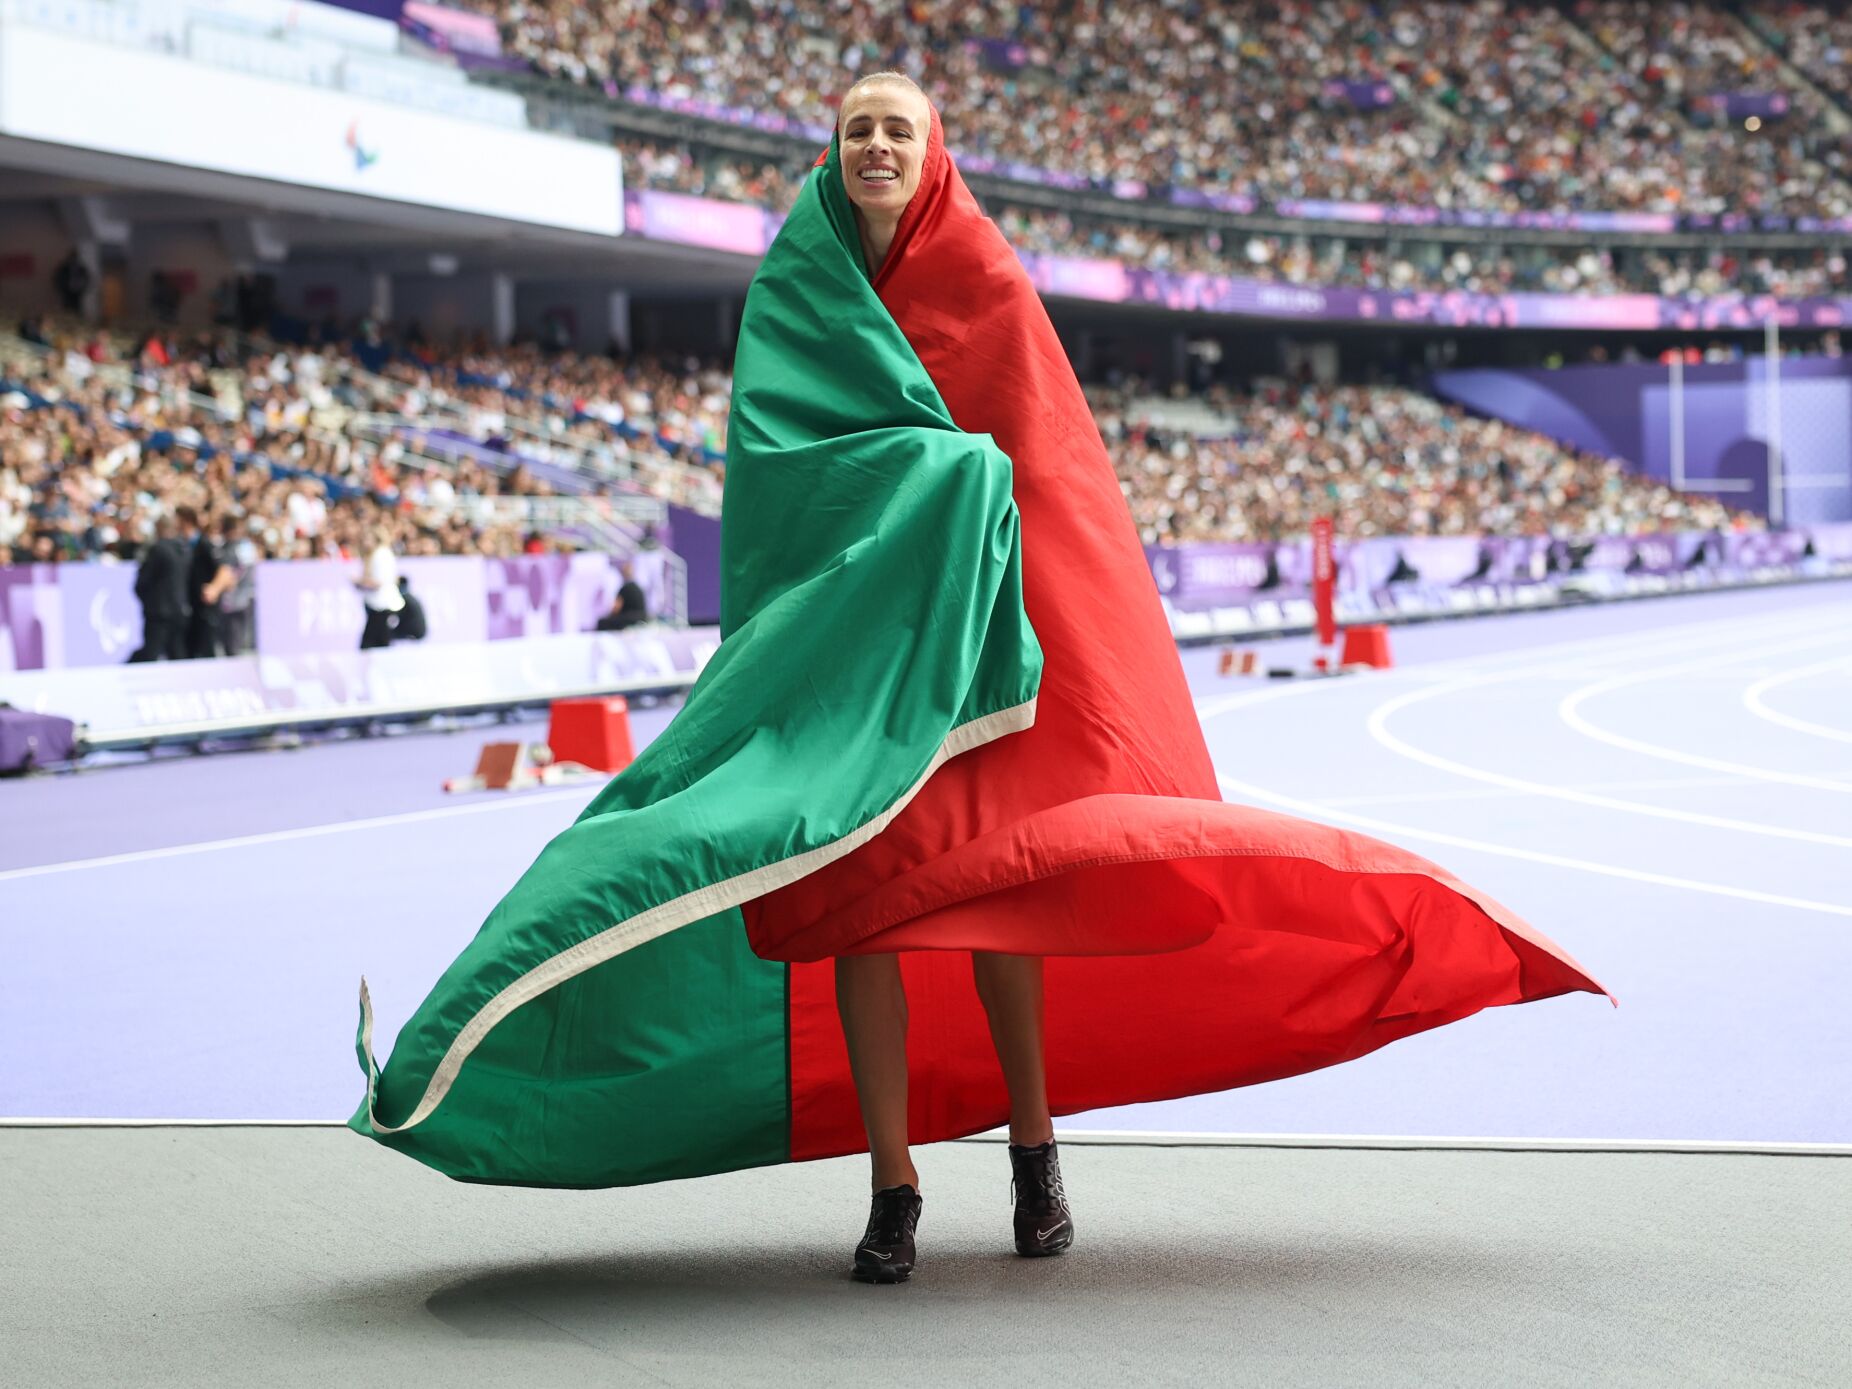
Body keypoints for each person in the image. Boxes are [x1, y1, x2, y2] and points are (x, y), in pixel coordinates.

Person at [349, 76, 1603, 1286]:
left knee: (1004, 902)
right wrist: (938, 473)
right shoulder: (798, 283)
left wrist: (961, 491)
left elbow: (1048, 466)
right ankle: (893, 1191)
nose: (876, 149)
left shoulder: (987, 273)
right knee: (860, 921)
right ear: (832, 148)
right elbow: (789, 478)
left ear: (933, 148)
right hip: (851, 671)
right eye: (857, 131)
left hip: (993, 664)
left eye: (898, 130)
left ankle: (1033, 1151)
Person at [130, 516, 190, 662]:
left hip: (158, 611)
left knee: (151, 652)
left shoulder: (158, 549)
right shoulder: (183, 548)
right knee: (176, 653)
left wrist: (148, 602)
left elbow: (143, 581)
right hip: (179, 609)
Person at [182, 507, 233, 659]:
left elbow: (224, 569)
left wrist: (214, 588)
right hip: (192, 602)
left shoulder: (206, 544)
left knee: (206, 646)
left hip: (204, 605)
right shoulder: (191, 543)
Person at [355, 527, 404, 650]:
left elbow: (378, 582)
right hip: (377, 604)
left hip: (381, 605)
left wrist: (358, 582)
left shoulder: (380, 555)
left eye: (367, 539)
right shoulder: (378, 554)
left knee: (374, 642)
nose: (364, 542)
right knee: (378, 641)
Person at [593, 563, 648, 631]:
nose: (614, 604)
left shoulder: (612, 624)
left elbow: (603, 623)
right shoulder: (645, 622)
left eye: (618, 600)